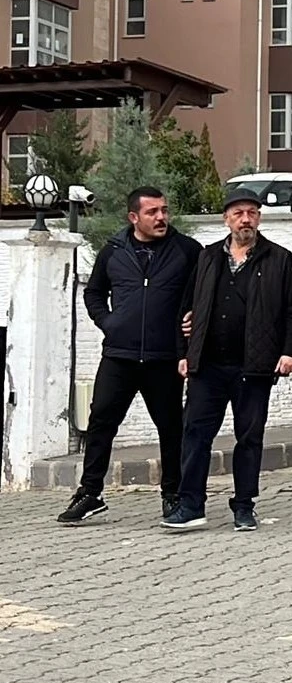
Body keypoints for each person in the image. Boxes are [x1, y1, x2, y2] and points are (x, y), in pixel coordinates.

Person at [162, 189, 292, 532]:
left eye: (252, 213)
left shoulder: (278, 258)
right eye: (239, 213)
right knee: (195, 435)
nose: (246, 220)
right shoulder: (208, 257)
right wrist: (184, 354)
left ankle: (244, 505)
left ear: (259, 218)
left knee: (249, 438)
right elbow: (185, 309)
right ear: (226, 219)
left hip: (253, 366)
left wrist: (290, 351)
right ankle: (191, 505)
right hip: (208, 365)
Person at [57, 188, 202, 524]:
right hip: (119, 356)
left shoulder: (187, 251)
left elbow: (204, 292)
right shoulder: (113, 251)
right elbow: (94, 292)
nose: (161, 217)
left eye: (164, 210)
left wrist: (195, 316)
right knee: (100, 422)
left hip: (164, 357)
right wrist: (109, 323)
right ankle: (90, 493)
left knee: (171, 428)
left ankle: (173, 494)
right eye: (152, 212)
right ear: (133, 217)